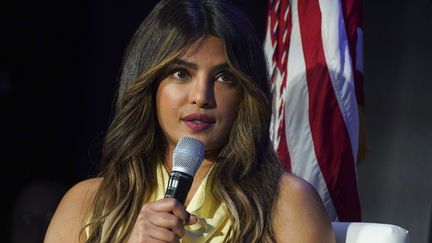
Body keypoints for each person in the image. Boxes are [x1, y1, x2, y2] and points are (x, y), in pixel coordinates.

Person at [44, 0, 335, 242]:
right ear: (149, 85)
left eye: (224, 77)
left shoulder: (288, 204)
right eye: (181, 74)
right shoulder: (85, 205)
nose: (201, 96)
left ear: (245, 94)